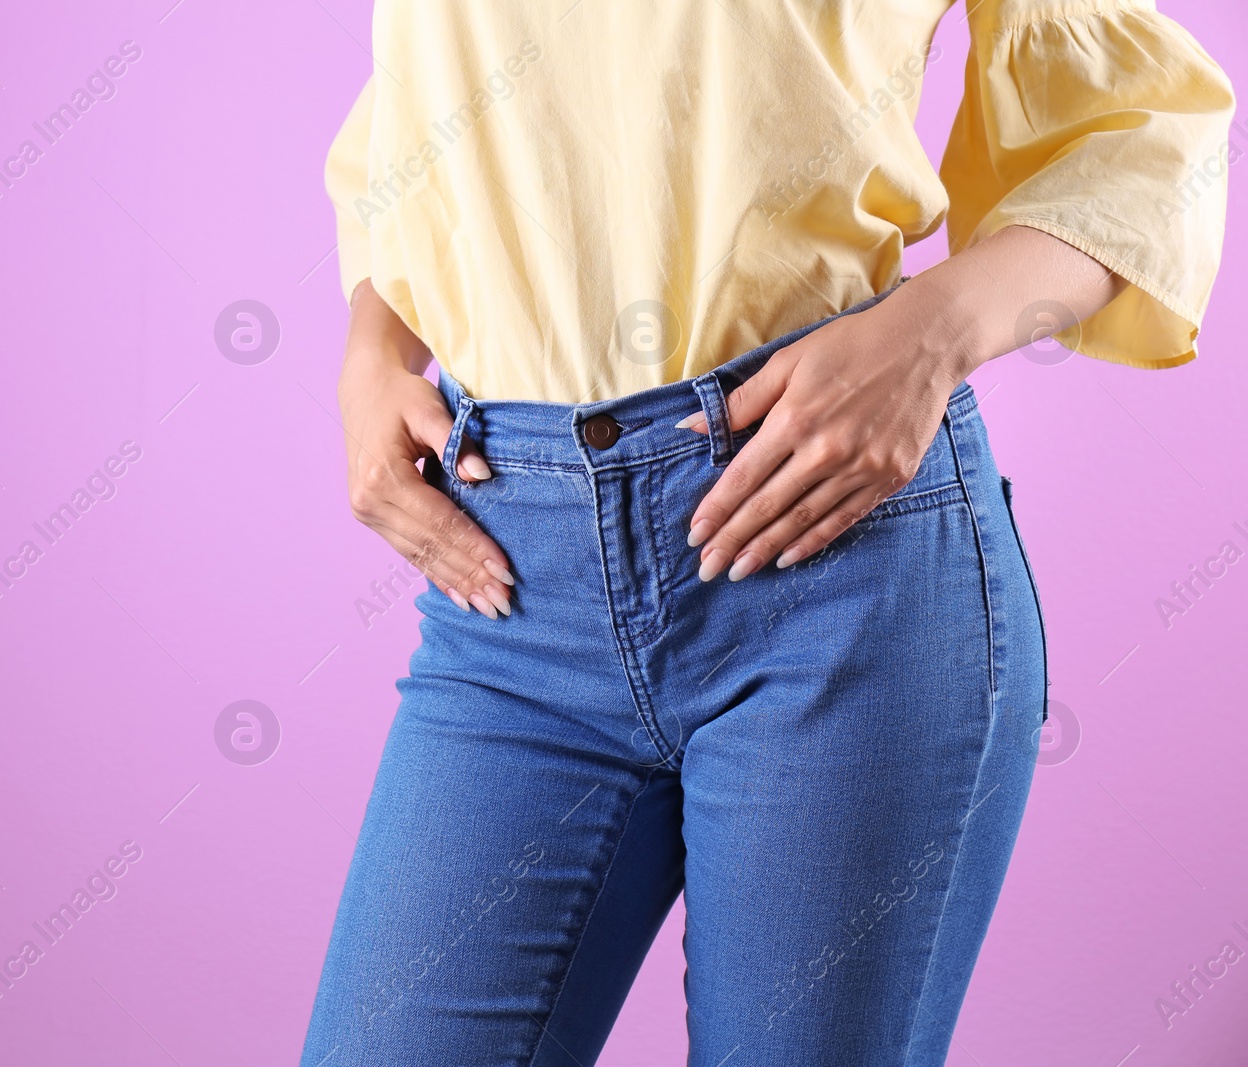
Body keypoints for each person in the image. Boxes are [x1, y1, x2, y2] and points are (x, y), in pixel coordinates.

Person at [302, 1, 1233, 1064]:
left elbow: (1141, 126)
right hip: (513, 588)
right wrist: (369, 354)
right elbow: (438, 103)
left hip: (836, 568)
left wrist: (934, 333)